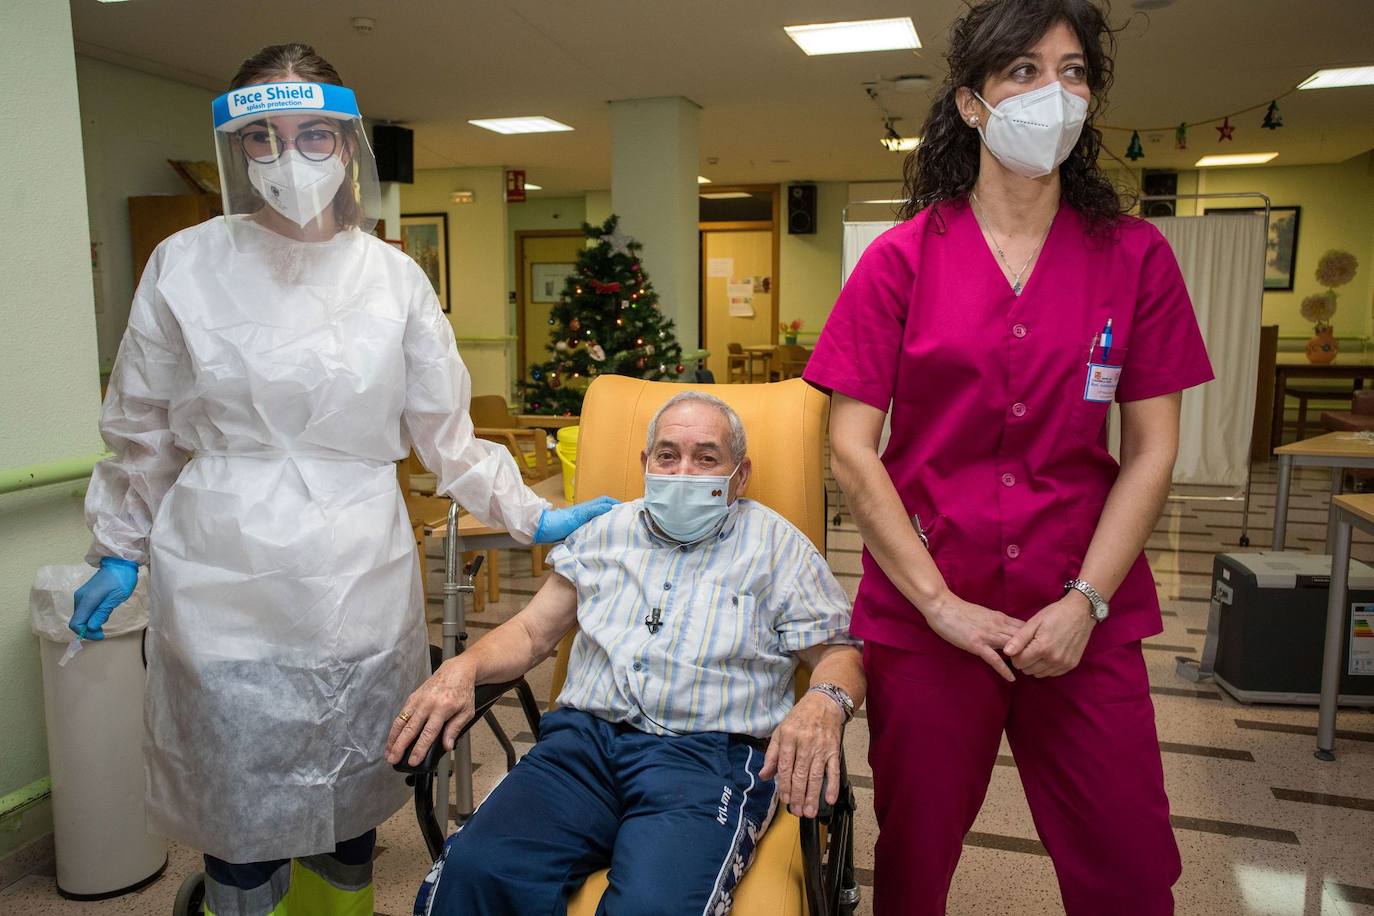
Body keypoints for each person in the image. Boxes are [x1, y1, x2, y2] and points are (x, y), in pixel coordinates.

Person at [70, 43, 614, 916]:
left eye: (314, 136)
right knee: (237, 799)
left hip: (353, 568)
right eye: (263, 139)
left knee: (354, 785)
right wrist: (118, 547)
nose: (289, 160)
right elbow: (142, 428)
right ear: (237, 152)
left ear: (346, 146)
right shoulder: (183, 263)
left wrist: (530, 514)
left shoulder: (392, 278)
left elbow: (446, 436)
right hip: (222, 570)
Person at [803, 1, 1213, 913]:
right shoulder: (900, 261)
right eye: (1023, 71)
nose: (1053, 92)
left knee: (1133, 867)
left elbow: (1152, 450)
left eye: (1073, 73)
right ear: (974, 103)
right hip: (926, 612)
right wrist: (943, 608)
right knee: (915, 862)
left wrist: (1085, 603)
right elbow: (850, 450)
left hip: (1084, 608)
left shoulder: (1135, 257)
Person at [386, 392, 864, 915]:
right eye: (667, 455)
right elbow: (530, 634)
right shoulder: (603, 534)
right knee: (472, 874)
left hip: (708, 761)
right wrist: (463, 666)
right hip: (580, 749)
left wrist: (824, 702)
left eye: (706, 458)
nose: (683, 472)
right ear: (645, 465)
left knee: (653, 907)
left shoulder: (779, 548)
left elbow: (838, 652)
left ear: (739, 474)